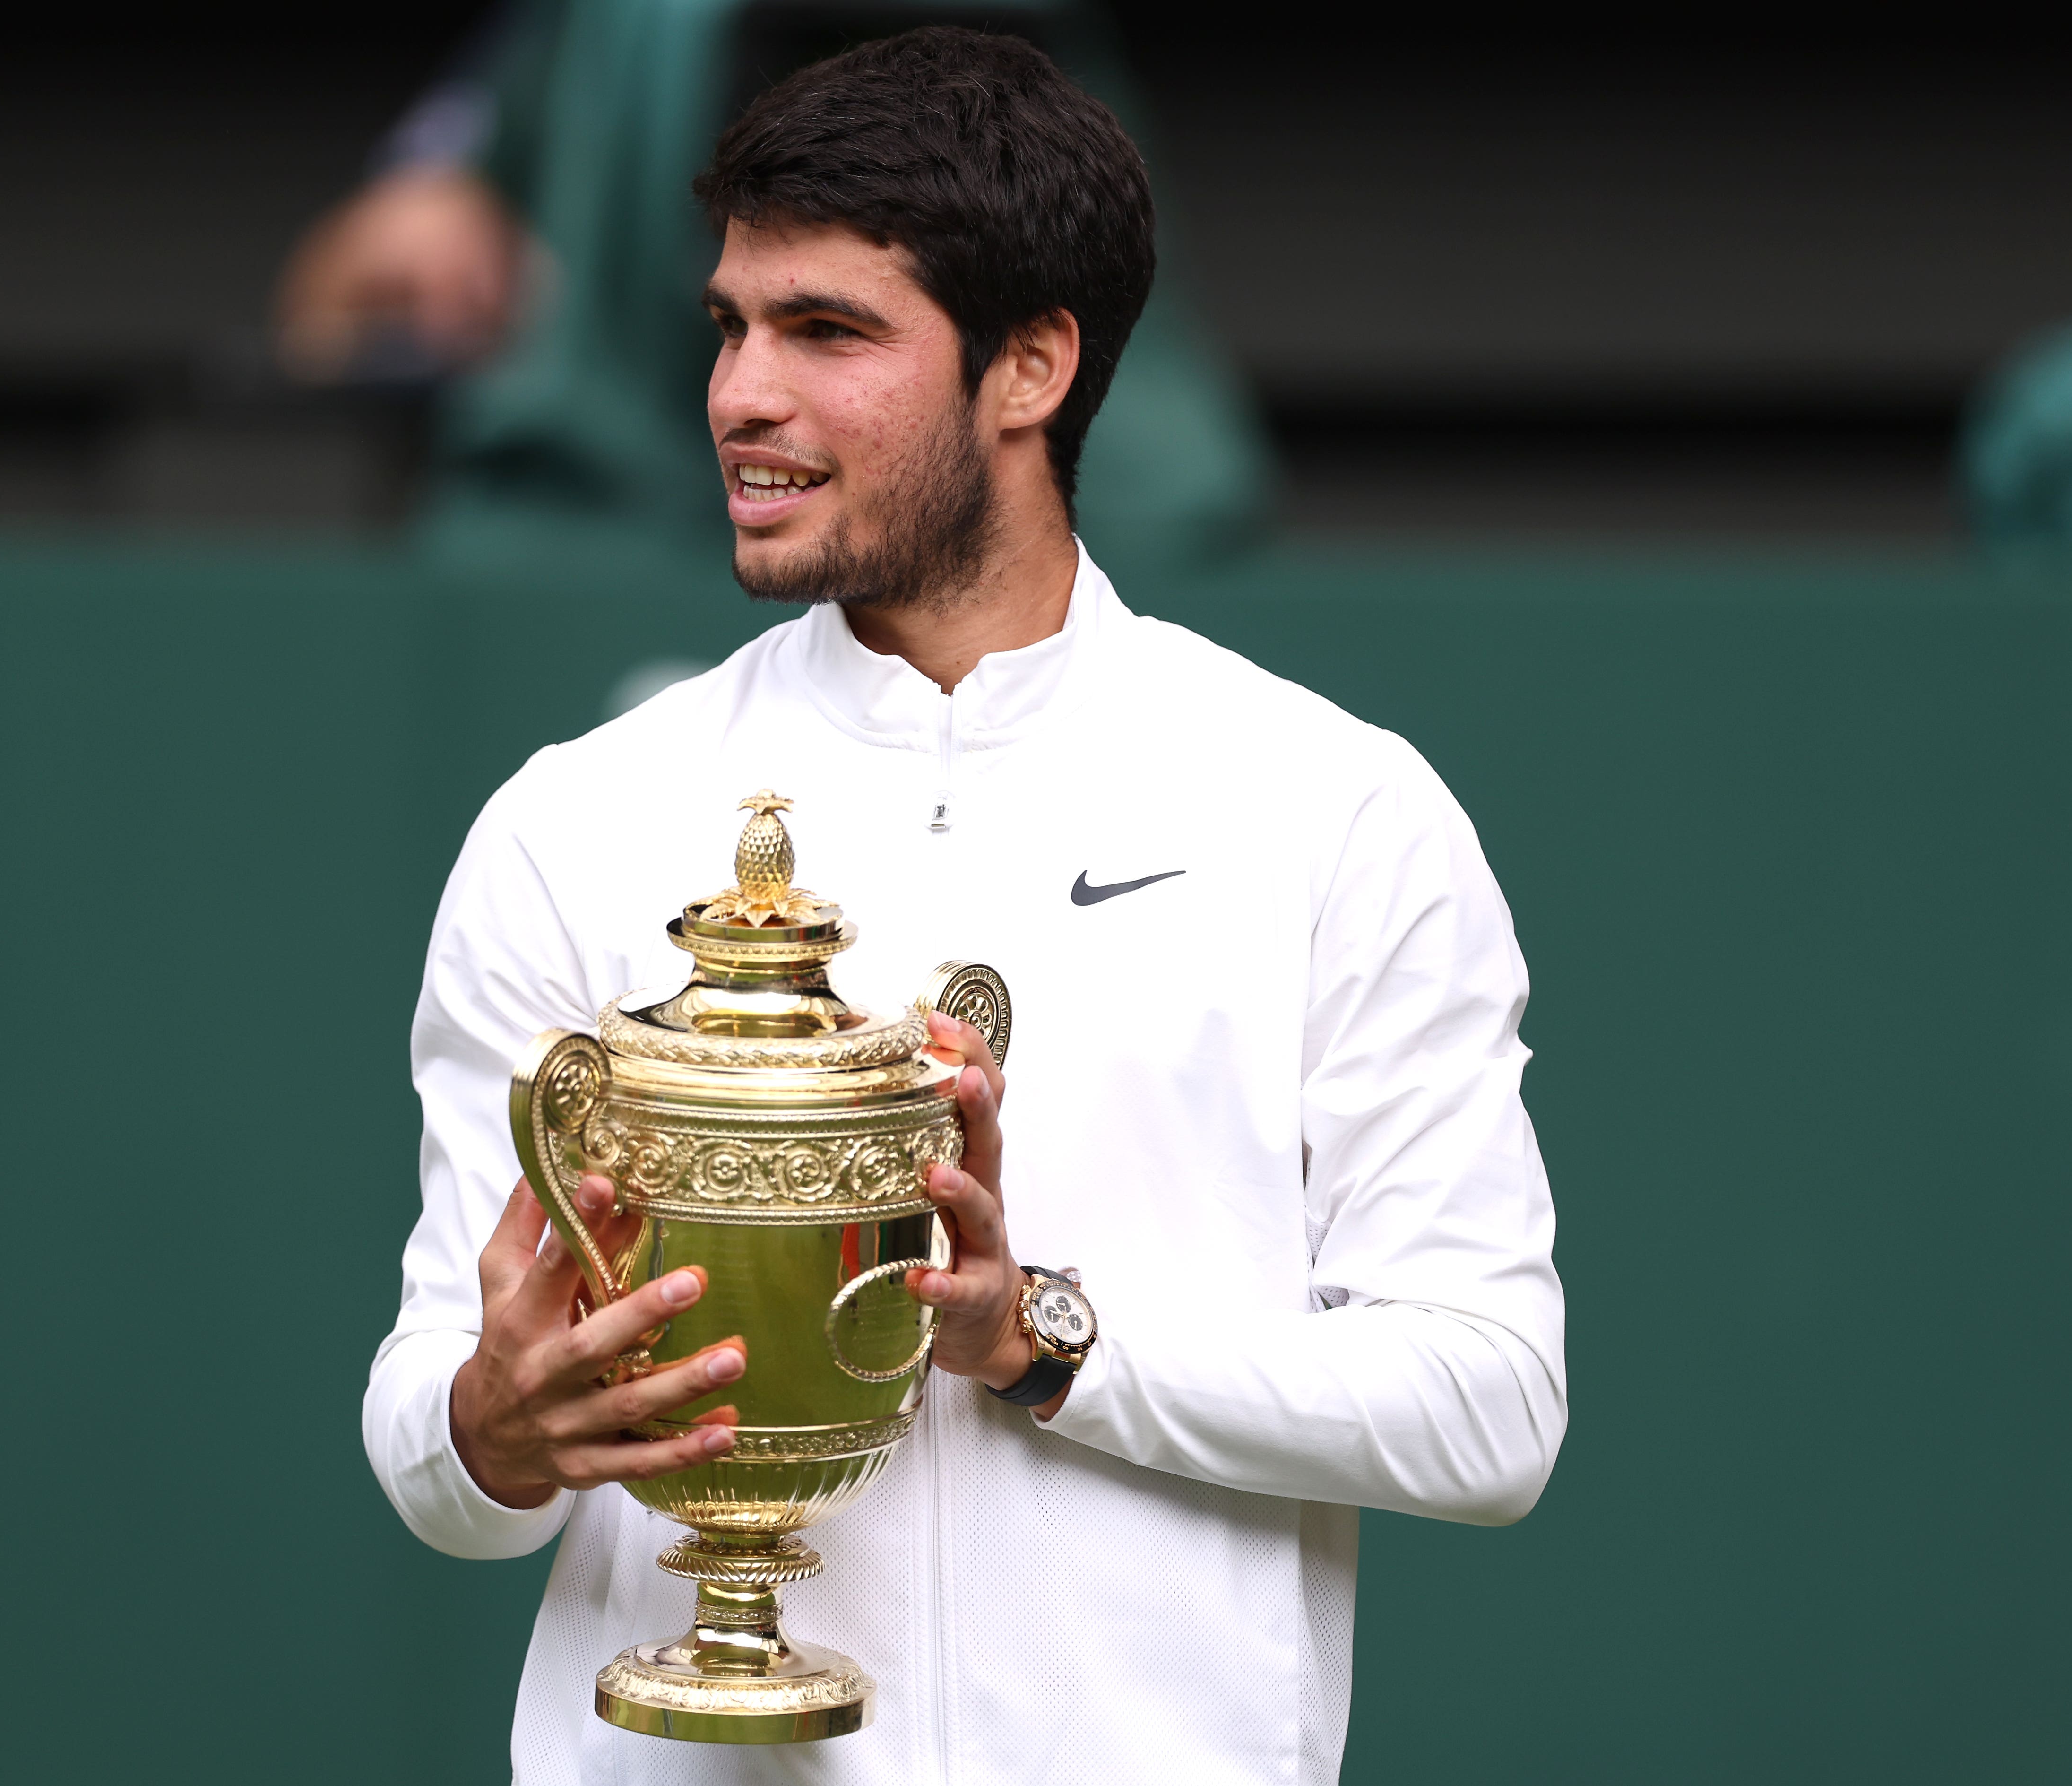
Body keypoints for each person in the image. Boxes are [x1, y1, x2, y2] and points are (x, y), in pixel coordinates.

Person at [362, 28, 1567, 1784]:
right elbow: (427, 1436)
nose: (737, 396)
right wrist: (498, 1426)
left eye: (826, 331)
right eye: (728, 325)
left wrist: (1037, 1336)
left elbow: (1488, 1401)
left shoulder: (1332, 808)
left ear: (1030, 367)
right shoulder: (575, 818)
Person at [275, 0, 1273, 570]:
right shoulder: (607, 28)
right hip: (608, 520)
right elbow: (333, 290)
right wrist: (432, 197)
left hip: (1069, 527)